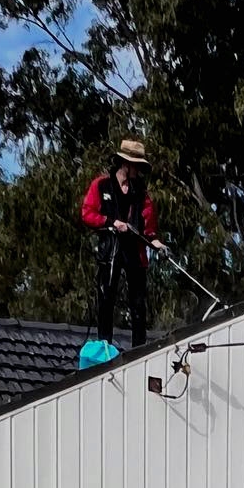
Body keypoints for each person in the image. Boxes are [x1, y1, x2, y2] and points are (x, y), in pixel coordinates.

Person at [80, 138, 166, 346]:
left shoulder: (142, 194)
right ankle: (104, 346)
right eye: (136, 165)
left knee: (138, 303)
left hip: (134, 251)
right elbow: (87, 213)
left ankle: (139, 347)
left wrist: (155, 242)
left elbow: (148, 227)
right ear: (125, 164)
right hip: (110, 250)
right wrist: (110, 222)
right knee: (106, 297)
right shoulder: (101, 185)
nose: (138, 170)